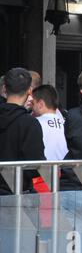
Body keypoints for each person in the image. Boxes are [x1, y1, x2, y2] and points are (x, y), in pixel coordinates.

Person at [0, 67, 45, 195]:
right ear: (30, 91)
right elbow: (35, 166)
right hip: (18, 194)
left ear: (4, 89)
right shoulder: (30, 123)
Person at [32, 85, 69, 161]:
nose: (31, 107)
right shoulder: (68, 123)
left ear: (40, 104)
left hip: (42, 170)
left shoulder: (34, 123)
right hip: (64, 170)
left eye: (33, 103)